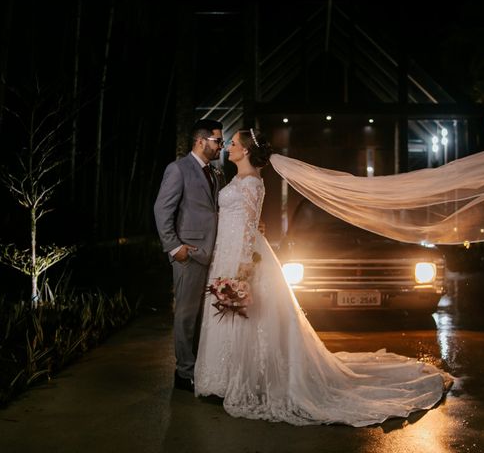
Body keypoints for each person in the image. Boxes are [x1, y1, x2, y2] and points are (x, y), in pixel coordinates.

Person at [194, 128, 453, 426]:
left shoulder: (252, 183)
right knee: (228, 316)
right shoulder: (238, 179)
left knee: (246, 317)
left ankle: (245, 379)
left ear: (247, 151)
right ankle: (221, 377)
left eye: (234, 144)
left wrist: (241, 268)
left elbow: (250, 226)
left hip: (240, 254)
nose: (229, 148)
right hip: (225, 251)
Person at [154, 118, 226, 392]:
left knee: (206, 316)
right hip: (190, 254)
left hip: (215, 254)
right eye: (217, 140)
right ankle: (184, 373)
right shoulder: (178, 169)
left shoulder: (217, 173)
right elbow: (162, 210)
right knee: (185, 315)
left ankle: (201, 367)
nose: (220, 145)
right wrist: (175, 248)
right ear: (200, 141)